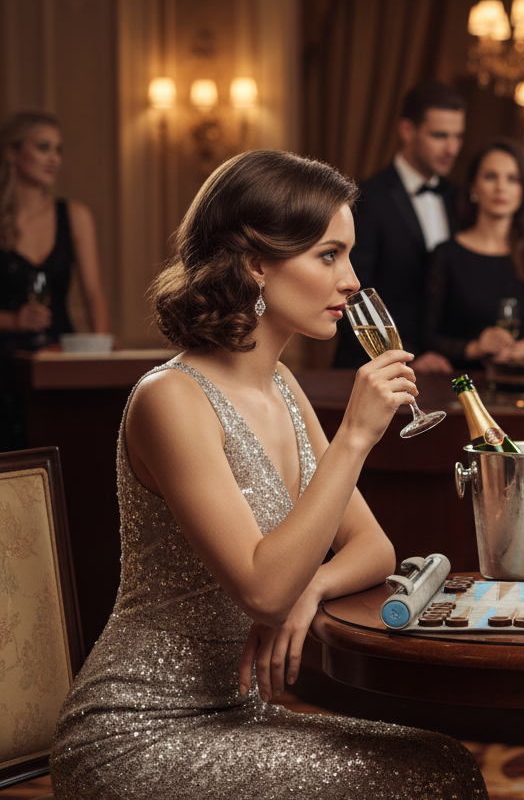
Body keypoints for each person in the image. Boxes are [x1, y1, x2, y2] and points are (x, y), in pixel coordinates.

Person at [50, 150, 488, 799]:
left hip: (238, 710)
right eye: (328, 255)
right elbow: (261, 591)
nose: (351, 281)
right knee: (420, 781)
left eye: (349, 255)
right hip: (138, 726)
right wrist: (356, 436)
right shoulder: (171, 398)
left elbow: (375, 550)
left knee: (445, 762)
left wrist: (313, 587)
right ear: (257, 261)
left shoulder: (282, 384)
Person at [333, 82, 465, 374]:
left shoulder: (459, 198)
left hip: (443, 370)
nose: (452, 148)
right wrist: (408, 357)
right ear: (407, 131)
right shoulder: (365, 197)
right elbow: (350, 293)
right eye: (440, 135)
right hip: (372, 368)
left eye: (458, 136)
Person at [0, 109, 111, 449]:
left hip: (59, 356)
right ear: (12, 152)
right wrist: (13, 320)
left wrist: (101, 349)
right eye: (43, 147)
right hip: (4, 363)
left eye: (58, 149)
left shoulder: (75, 216)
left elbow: (94, 294)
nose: (54, 159)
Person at [424, 139, 524, 370]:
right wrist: (476, 346)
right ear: (473, 188)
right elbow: (427, 336)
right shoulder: (446, 255)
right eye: (490, 177)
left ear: (522, 190)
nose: (501, 187)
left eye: (512, 179)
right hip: (464, 386)